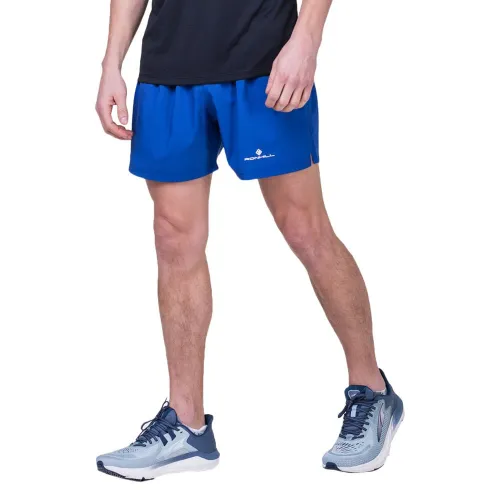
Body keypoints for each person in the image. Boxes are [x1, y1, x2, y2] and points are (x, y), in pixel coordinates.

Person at [95, 0, 404, 480]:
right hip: (168, 70)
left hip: (263, 63)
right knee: (173, 239)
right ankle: (186, 425)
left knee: (305, 228)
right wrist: (111, 61)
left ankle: (373, 392)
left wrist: (307, 39)